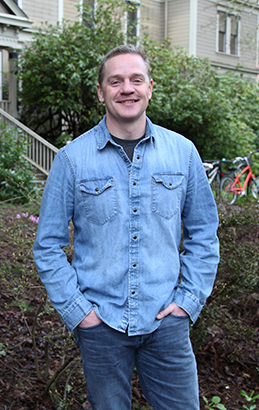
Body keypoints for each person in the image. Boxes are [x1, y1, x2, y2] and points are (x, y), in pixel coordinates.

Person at [32, 44, 220, 410]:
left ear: (150, 86)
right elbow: (48, 246)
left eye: (136, 79)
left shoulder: (183, 153)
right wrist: (79, 313)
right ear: (101, 92)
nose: (127, 89)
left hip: (167, 322)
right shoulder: (72, 160)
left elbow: (203, 233)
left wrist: (188, 301)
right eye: (115, 81)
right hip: (101, 326)